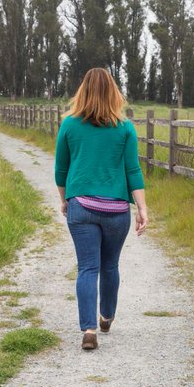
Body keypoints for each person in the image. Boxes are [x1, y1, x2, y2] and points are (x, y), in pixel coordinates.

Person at [54, 68, 149, 350]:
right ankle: (106, 317)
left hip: (81, 206)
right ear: (113, 92)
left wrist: (64, 199)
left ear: (82, 91)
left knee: (87, 267)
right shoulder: (125, 127)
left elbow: (61, 170)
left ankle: (89, 331)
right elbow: (133, 170)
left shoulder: (69, 125)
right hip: (116, 211)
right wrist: (142, 208)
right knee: (110, 265)